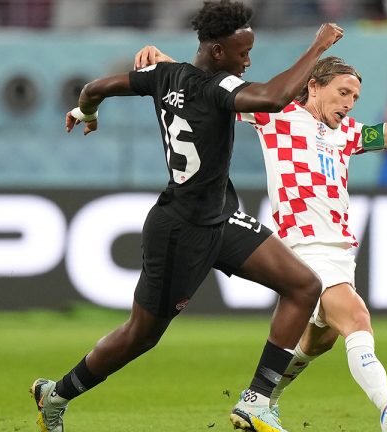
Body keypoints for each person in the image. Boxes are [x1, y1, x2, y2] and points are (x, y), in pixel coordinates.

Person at [31, 2, 345, 432]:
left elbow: (95, 85)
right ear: (217, 52)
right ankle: (57, 394)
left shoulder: (166, 75)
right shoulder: (217, 87)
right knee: (141, 335)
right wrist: (317, 47)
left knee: (303, 285)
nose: (247, 60)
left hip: (219, 218)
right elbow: (273, 97)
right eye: (242, 53)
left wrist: (86, 110)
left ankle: (256, 402)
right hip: (181, 230)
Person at [134, 43, 387, 426]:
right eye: (343, 93)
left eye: (355, 97)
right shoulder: (275, 114)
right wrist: (167, 63)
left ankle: (260, 399)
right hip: (306, 246)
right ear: (313, 86)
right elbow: (213, 87)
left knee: (321, 339)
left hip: (339, 252)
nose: (349, 103)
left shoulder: (348, 133)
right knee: (357, 317)